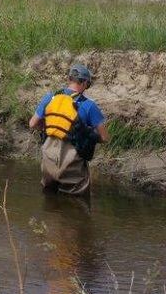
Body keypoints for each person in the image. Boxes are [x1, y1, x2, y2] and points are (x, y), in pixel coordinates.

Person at [29, 64, 108, 196]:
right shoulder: (89, 106)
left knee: (49, 201)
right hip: (73, 163)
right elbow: (105, 137)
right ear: (83, 83)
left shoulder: (50, 97)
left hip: (49, 160)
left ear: (70, 79)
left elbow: (32, 124)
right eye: (87, 85)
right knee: (76, 205)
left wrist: (51, 127)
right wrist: (90, 136)